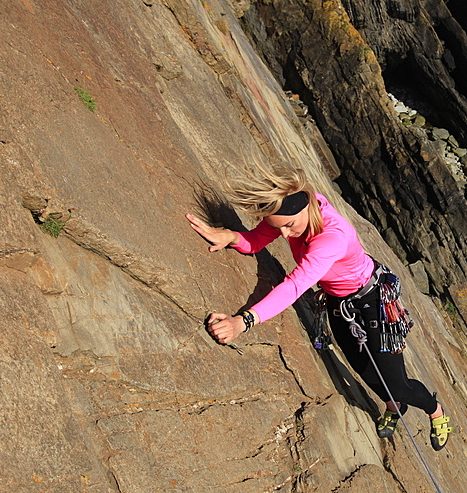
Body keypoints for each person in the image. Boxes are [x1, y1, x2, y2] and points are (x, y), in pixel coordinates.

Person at [185, 165, 451, 450]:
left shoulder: (330, 238)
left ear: (307, 208)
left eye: (289, 225)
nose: (286, 235)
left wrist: (243, 321)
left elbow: (295, 286)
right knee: (364, 368)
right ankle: (394, 406)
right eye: (279, 227)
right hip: (340, 302)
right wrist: (231, 237)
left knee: (396, 382)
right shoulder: (294, 210)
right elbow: (258, 239)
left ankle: (435, 410)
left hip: (373, 301)